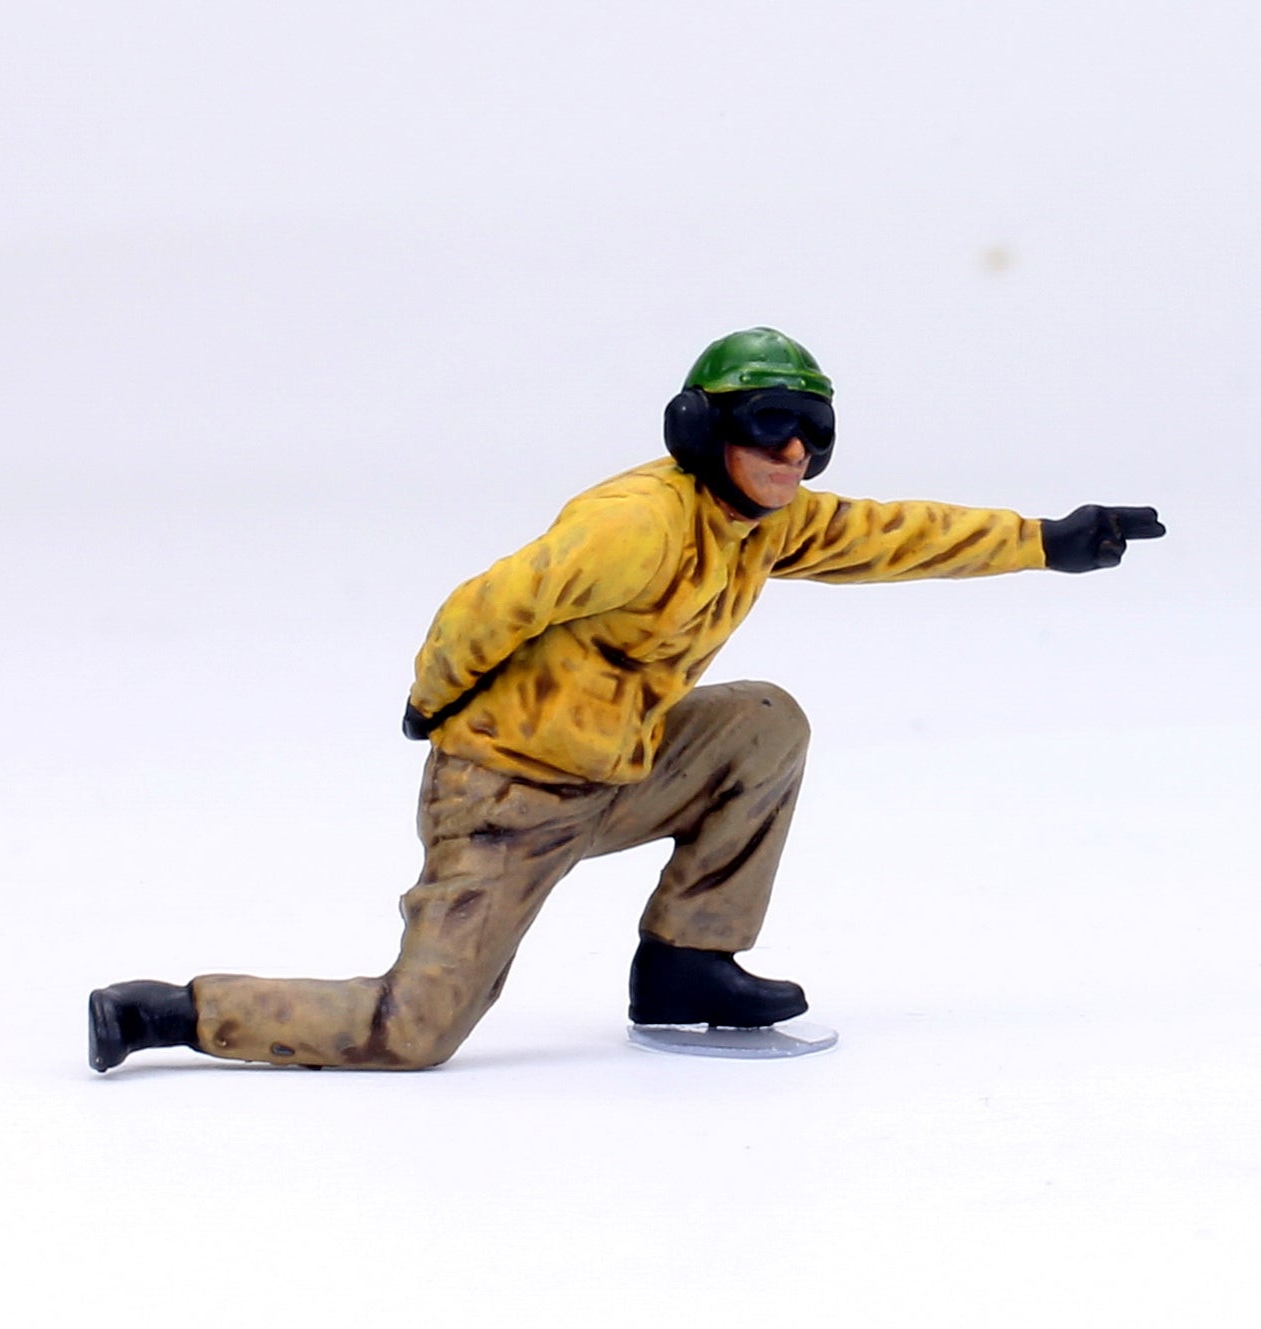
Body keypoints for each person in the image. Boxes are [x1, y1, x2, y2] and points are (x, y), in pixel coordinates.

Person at [88, 327, 1164, 1072]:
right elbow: (485, 605)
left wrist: (1046, 541)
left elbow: (893, 535)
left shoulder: (767, 518)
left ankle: (688, 966)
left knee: (761, 722)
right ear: (704, 428)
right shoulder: (634, 526)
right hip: (509, 797)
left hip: (621, 769)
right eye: (771, 426)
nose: (794, 454)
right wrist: (433, 703)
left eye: (814, 433)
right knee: (411, 1031)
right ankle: (171, 1012)